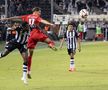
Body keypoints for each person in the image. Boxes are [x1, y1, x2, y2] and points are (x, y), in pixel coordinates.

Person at [0, 7, 57, 79]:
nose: (40, 13)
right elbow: (43, 21)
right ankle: (51, 45)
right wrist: (51, 24)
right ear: (36, 11)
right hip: (35, 34)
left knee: (30, 55)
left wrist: (6, 19)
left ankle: (28, 71)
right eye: (39, 12)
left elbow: (16, 17)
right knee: (50, 41)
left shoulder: (27, 17)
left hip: (30, 38)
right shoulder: (36, 17)